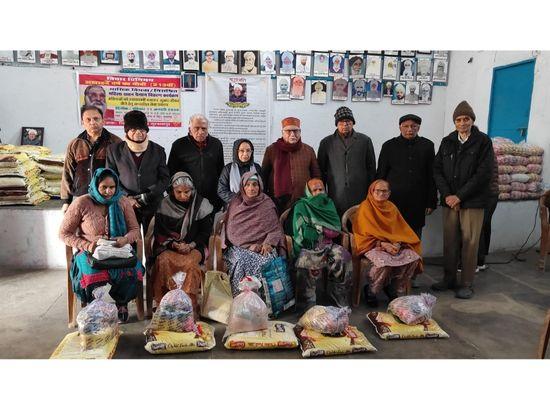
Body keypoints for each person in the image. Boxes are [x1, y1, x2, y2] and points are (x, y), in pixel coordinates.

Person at [59, 168, 144, 322]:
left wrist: (125, 240)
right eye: (104, 187)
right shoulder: (81, 203)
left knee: (131, 271)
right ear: (95, 185)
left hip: (118, 249)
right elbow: (64, 233)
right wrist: (87, 245)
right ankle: (94, 305)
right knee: (91, 273)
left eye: (112, 187)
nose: (108, 191)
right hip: (90, 251)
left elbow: (135, 230)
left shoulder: (122, 201)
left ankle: (122, 303)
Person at [432, 101, 495, 299]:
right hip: (450, 201)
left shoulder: (483, 142)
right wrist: (448, 195)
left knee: (470, 242)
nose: (462, 123)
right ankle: (449, 279)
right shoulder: (447, 141)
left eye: (466, 119)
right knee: (450, 241)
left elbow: (483, 173)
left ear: (472, 120)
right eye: (458, 120)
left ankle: (467, 283)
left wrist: (460, 196)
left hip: (473, 202)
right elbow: (437, 170)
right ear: (454, 122)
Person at [353, 179, 422, 307]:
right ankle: (371, 291)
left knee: (413, 258)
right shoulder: (365, 207)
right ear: (371, 191)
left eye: (384, 191)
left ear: (389, 193)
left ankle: (392, 287)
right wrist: (382, 244)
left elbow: (400, 229)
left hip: (394, 245)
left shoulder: (391, 207)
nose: (381, 193)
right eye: (377, 191)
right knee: (384, 262)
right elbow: (363, 233)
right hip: (373, 244)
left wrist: (397, 244)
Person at [151, 172, 213, 314]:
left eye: (187, 192)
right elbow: (159, 233)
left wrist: (190, 245)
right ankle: (166, 303)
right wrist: (173, 244)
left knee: (191, 264)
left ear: (192, 190)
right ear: (172, 190)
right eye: (179, 192)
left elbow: (205, 232)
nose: (183, 195)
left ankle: (188, 305)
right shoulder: (164, 205)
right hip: (170, 247)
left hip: (195, 246)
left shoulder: (201, 205)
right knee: (163, 260)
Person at [292, 178, 352, 310]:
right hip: (309, 247)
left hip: (328, 245)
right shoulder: (301, 206)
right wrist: (322, 229)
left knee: (343, 256)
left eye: (321, 189)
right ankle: (307, 303)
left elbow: (335, 230)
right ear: (308, 192)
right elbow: (302, 233)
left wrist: (317, 228)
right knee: (305, 262)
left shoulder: (328, 203)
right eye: (315, 190)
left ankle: (338, 293)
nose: (319, 192)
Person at [106, 110, 170, 234]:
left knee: (153, 239)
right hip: (125, 203)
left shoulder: (158, 150)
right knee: (129, 240)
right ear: (126, 131)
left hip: (153, 203)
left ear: (146, 130)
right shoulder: (114, 150)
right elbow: (111, 178)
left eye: (142, 129)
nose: (138, 133)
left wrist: (147, 196)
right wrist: (127, 197)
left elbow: (164, 178)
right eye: (133, 130)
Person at [223, 171, 285, 295]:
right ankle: (240, 299)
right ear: (243, 187)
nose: (251, 188)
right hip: (239, 247)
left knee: (265, 261)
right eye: (248, 185)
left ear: (260, 186)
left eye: (255, 185)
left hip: (263, 246)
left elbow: (275, 229)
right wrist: (249, 246)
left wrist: (268, 243)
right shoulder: (236, 204)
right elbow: (232, 233)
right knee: (241, 260)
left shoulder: (266, 203)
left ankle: (264, 301)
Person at [377, 114, 437, 240]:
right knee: (392, 236)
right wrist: (378, 199)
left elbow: (432, 175)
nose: (409, 129)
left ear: (418, 128)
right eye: (406, 126)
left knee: (414, 237)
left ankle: (414, 254)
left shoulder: (427, 146)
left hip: (418, 200)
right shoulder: (389, 146)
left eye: (413, 126)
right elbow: (381, 175)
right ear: (400, 127)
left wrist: (431, 202)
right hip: (393, 200)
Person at [61, 105, 121, 213]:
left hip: (106, 198)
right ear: (82, 122)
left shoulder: (115, 142)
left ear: (103, 120)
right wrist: (66, 201)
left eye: (96, 119)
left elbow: (122, 173)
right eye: (88, 119)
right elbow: (67, 173)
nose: (92, 122)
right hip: (80, 197)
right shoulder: (75, 144)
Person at [318, 106, 376, 216]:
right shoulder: (326, 143)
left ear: (353, 123)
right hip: (336, 192)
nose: (345, 125)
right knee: (337, 220)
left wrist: (371, 191)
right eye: (341, 122)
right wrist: (322, 192)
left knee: (359, 220)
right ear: (336, 124)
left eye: (348, 121)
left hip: (360, 192)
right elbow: (321, 169)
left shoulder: (365, 140)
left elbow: (371, 168)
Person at [262, 117, 321, 214]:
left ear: (300, 132)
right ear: (282, 132)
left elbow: (316, 175)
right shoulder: (271, 150)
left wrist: (316, 195)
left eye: (296, 131)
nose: (293, 134)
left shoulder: (308, 150)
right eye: (288, 131)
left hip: (304, 199)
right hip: (277, 200)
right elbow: (264, 176)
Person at [168, 114, 225, 212]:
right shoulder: (179, 145)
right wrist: (174, 195)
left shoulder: (216, 144)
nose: (201, 132)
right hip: (186, 198)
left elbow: (221, 171)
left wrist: (220, 198)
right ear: (190, 129)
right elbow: (171, 172)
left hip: (211, 198)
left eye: (204, 128)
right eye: (196, 128)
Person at [217, 138, 262, 206]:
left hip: (254, 205)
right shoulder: (228, 168)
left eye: (248, 150)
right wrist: (239, 200)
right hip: (234, 206)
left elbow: (262, 187)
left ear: (252, 152)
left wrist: (252, 199)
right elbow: (221, 190)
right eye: (242, 151)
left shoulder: (257, 168)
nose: (245, 154)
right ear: (236, 152)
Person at [477, 156, 499, 271]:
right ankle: (481, 260)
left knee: (480, 226)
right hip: (488, 195)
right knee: (484, 226)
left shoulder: (486, 154)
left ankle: (479, 261)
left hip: (488, 195)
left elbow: (482, 177)